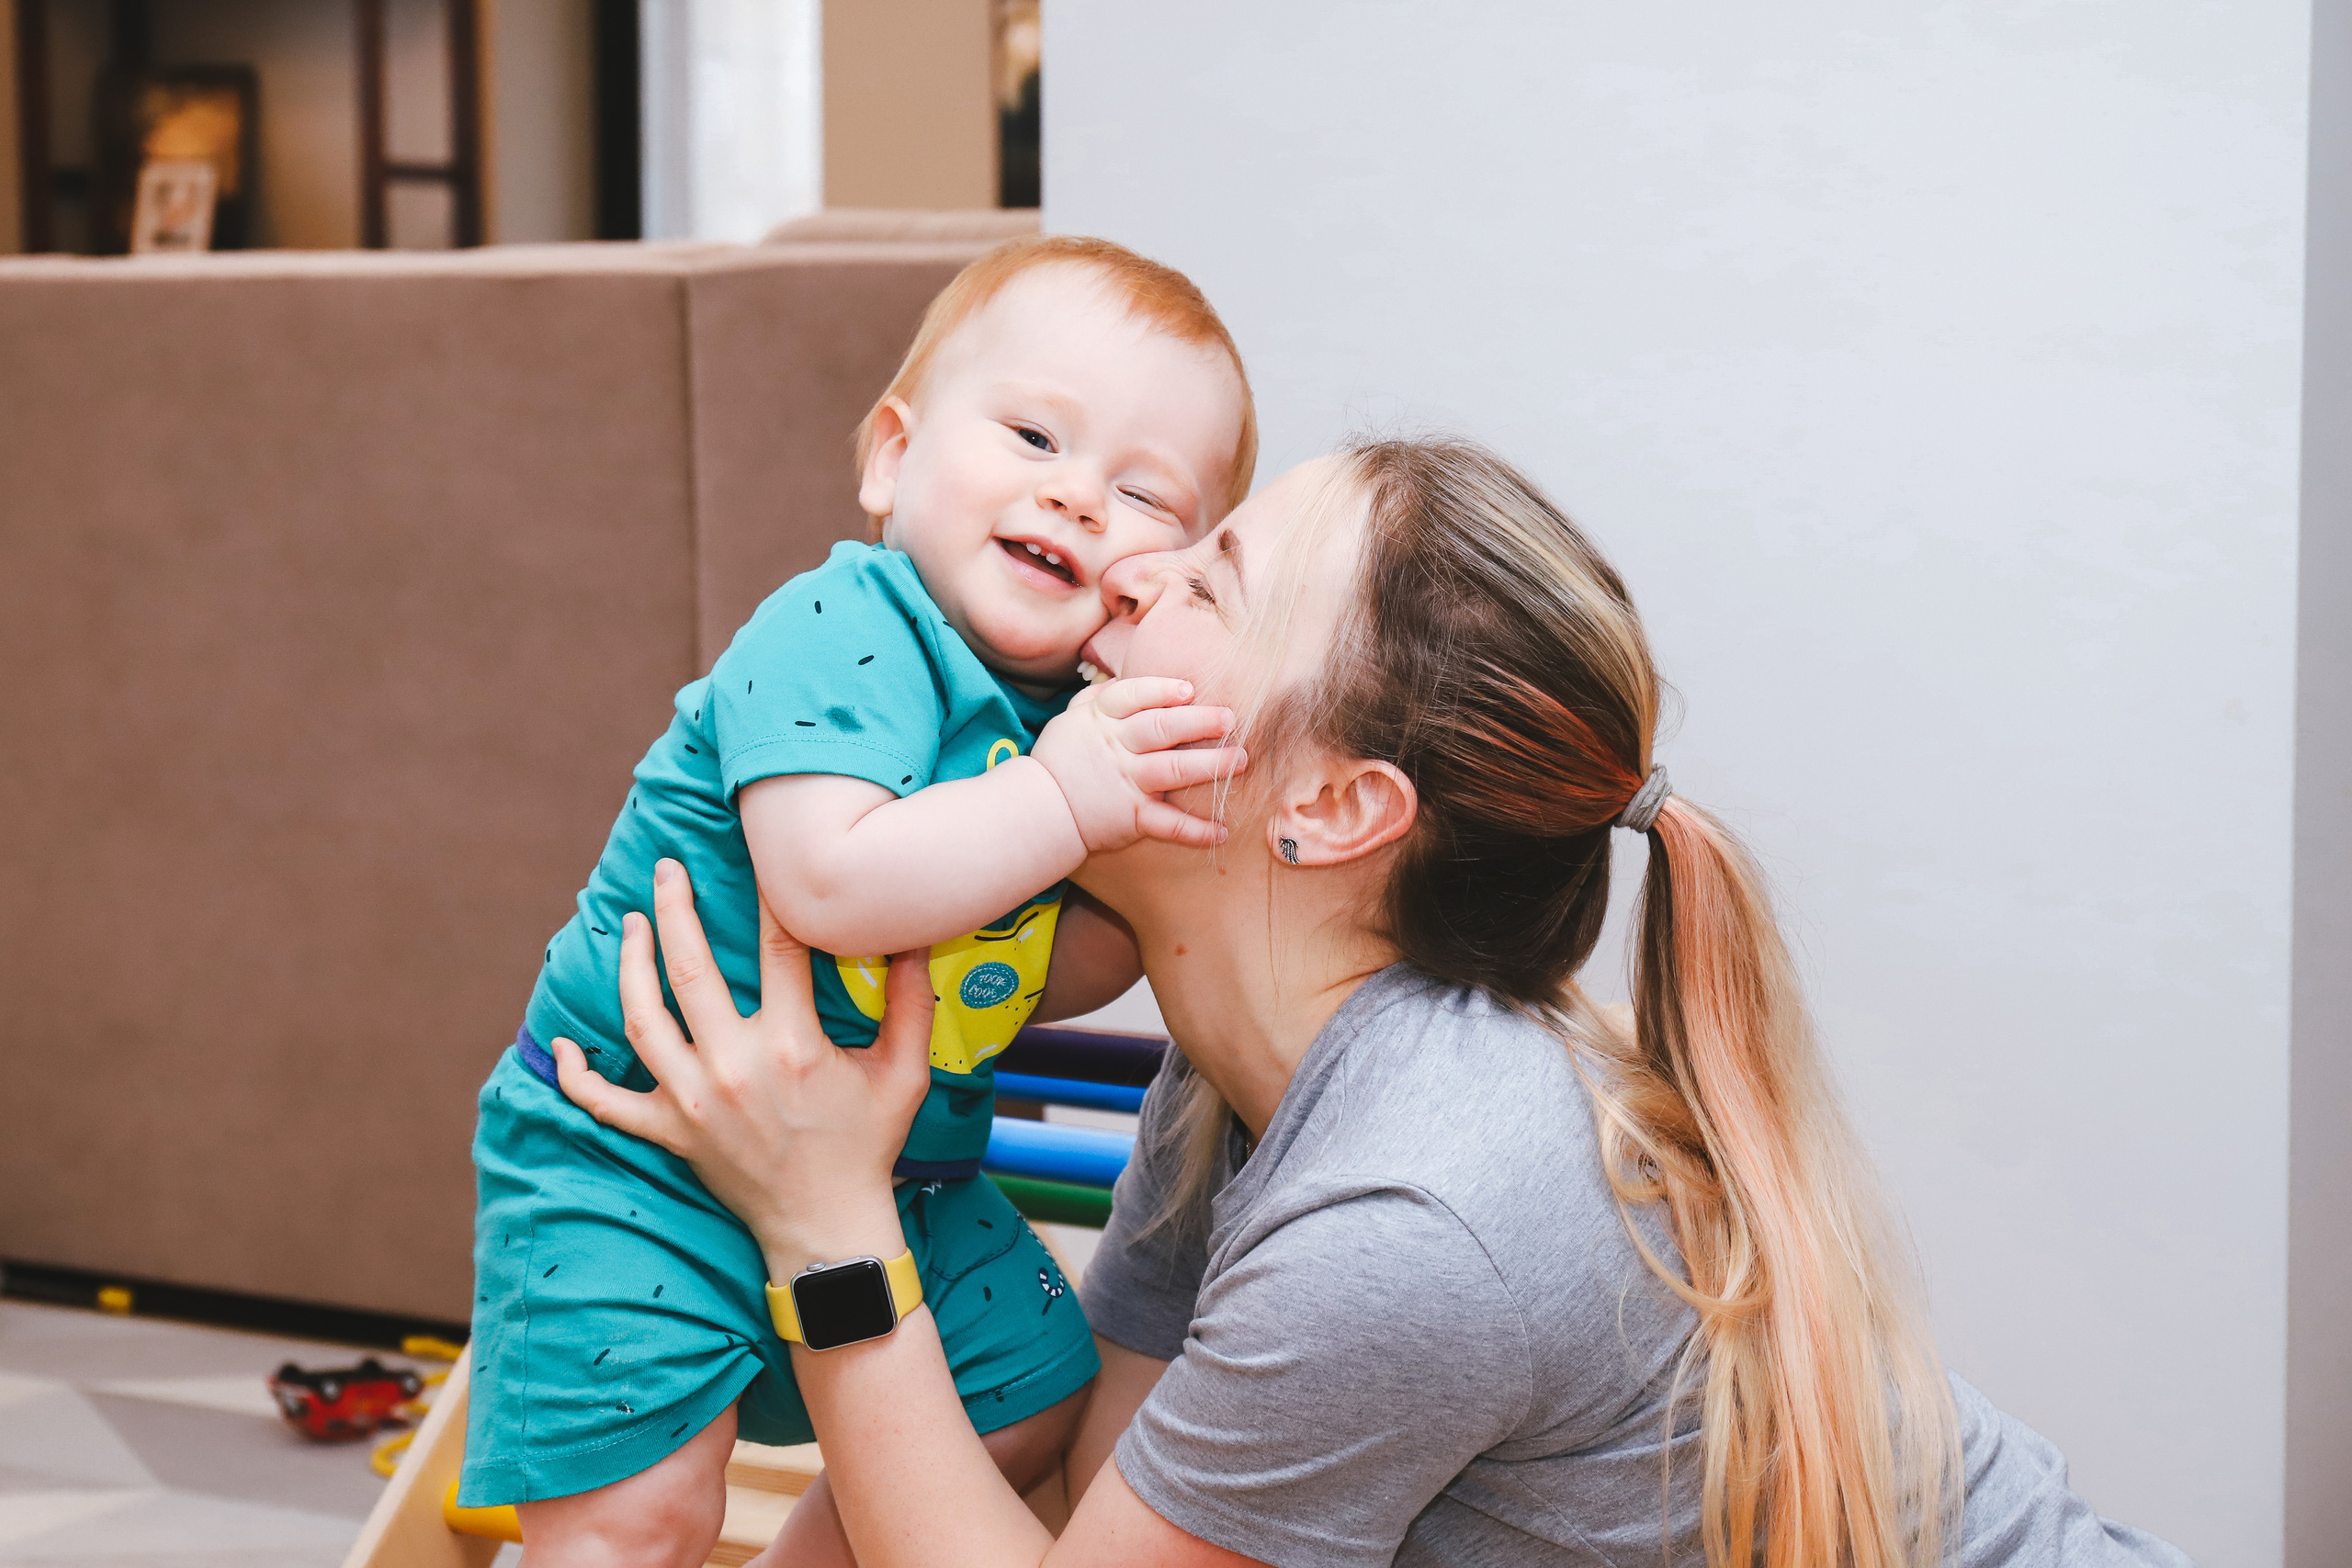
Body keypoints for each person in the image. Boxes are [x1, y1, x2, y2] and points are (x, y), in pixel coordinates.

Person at [555, 438, 2194, 1567]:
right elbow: (1107, 1510)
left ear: (1334, 811)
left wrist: (829, 1223)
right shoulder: (1253, 1075)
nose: (1125, 577)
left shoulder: (1417, 1216)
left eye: (1208, 583)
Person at [464, 235, 1258, 1566]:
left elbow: (1032, 970)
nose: (1074, 500)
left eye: (1141, 494)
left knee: (1030, 1400)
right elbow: (832, 884)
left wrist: (1124, 880)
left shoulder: (1069, 720)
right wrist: (1064, 807)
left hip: (903, 1175)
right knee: (639, 1516)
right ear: (893, 455)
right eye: (1031, 436)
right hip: (638, 1148)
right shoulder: (844, 623)